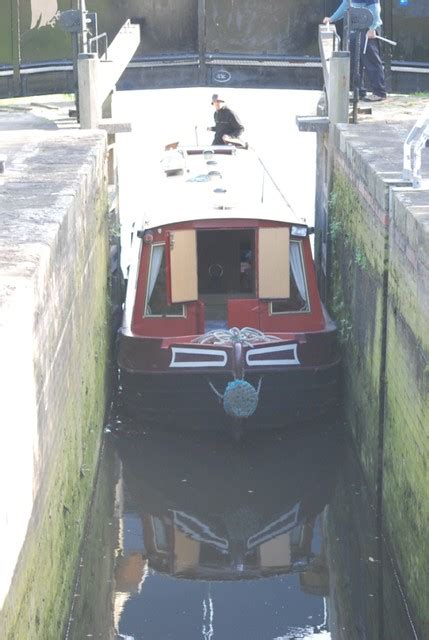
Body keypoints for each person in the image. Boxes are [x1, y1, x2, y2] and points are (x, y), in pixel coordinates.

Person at [322, 0, 387, 102]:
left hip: (368, 29)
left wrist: (372, 28)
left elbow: (375, 9)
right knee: (354, 62)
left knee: (371, 61)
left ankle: (379, 92)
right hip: (355, 28)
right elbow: (345, 5)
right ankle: (358, 91)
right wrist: (332, 18)